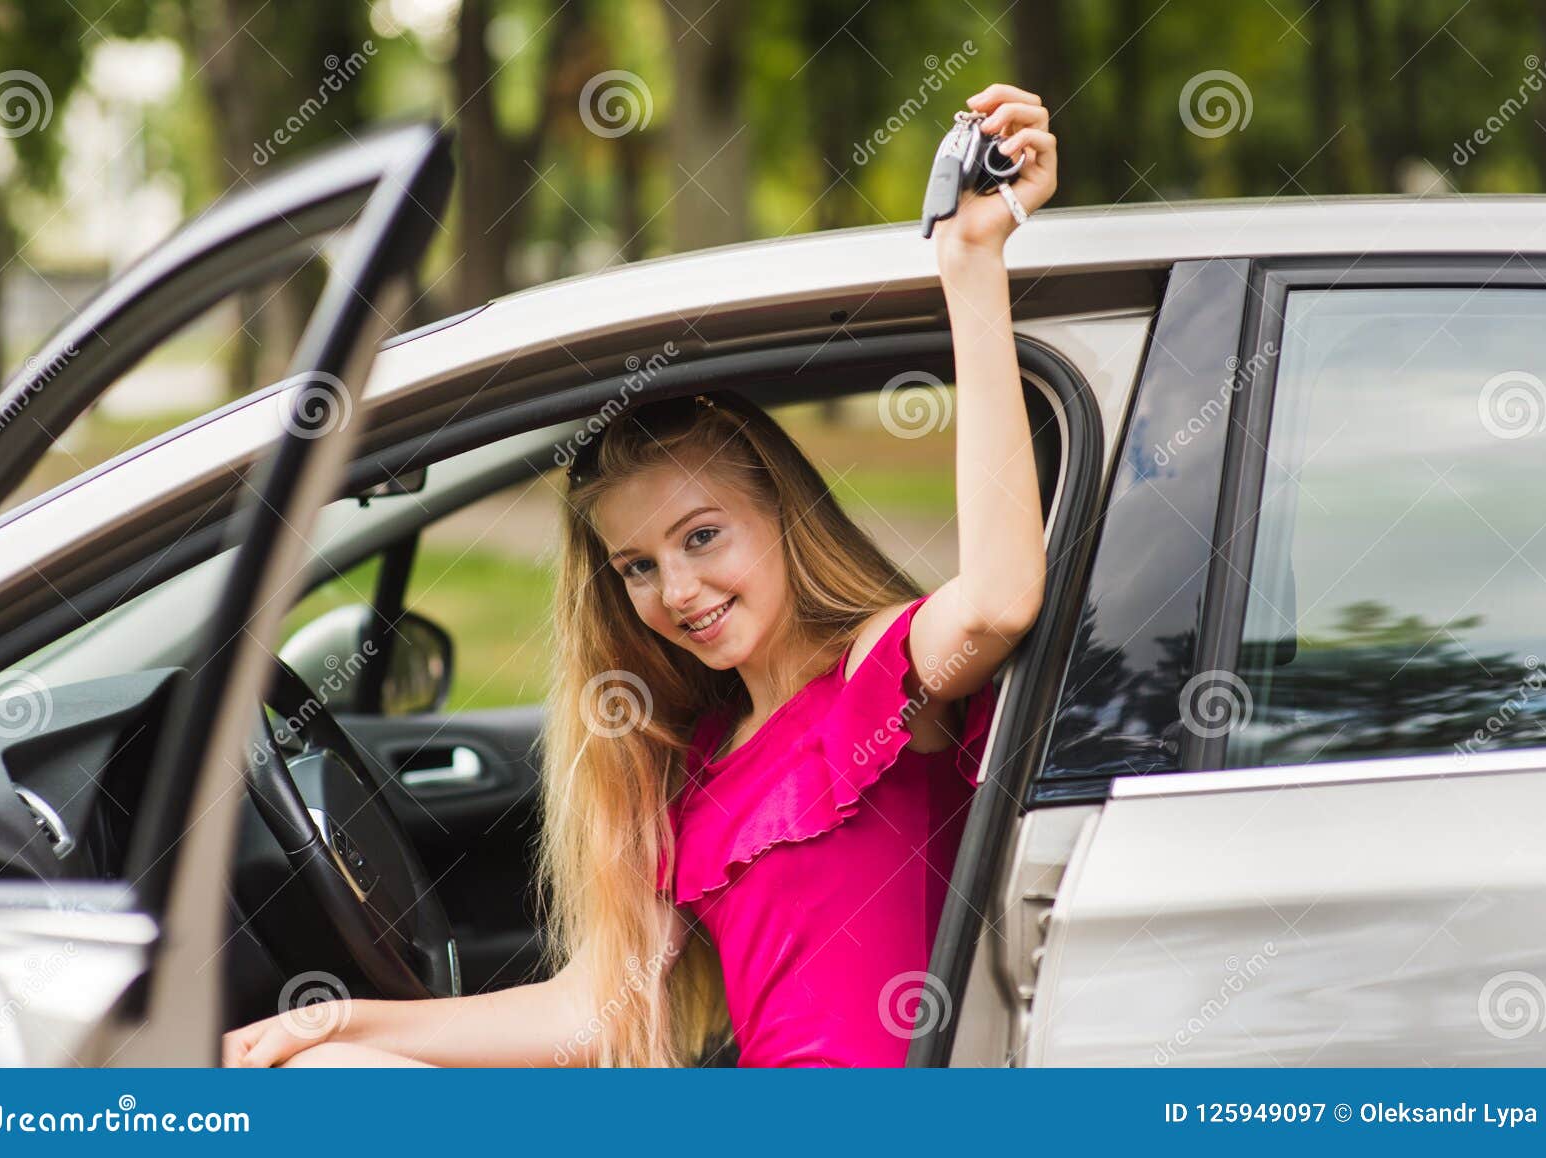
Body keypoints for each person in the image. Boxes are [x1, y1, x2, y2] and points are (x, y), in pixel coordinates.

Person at [223, 82, 1055, 1068]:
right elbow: (596, 1010)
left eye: (703, 537)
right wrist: (332, 1019)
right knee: (329, 1072)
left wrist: (969, 264)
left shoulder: (873, 677)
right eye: (637, 567)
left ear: (782, 517)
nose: (678, 592)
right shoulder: (700, 761)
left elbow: (999, 600)